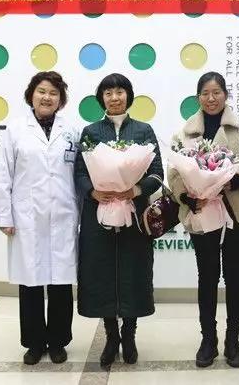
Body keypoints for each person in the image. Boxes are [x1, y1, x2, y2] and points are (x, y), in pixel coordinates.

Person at [168, 72, 239, 368]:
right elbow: (174, 172)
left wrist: (236, 180)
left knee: (235, 276)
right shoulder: (185, 133)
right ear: (198, 97)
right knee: (207, 276)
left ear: (225, 94)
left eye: (216, 92)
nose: (211, 99)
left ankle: (232, 340)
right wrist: (187, 197)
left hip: (238, 214)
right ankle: (208, 339)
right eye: (205, 93)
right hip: (202, 214)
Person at [74, 73, 164, 370]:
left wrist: (134, 190)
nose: (114, 98)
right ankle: (111, 336)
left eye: (120, 92)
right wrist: (93, 191)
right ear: (101, 98)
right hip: (99, 214)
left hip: (134, 214)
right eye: (108, 93)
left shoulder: (143, 130)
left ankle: (130, 334)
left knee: (132, 272)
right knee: (102, 273)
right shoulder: (90, 131)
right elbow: (80, 172)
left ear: (129, 95)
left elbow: (157, 173)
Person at [0, 71, 81, 365]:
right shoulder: (16, 129)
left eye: (54, 93)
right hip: (27, 217)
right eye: (42, 91)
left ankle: (58, 342)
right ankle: (33, 343)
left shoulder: (71, 131)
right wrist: (5, 215)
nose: (47, 97)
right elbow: (5, 174)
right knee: (30, 282)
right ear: (31, 95)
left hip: (63, 214)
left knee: (61, 282)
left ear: (61, 99)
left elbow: (79, 174)